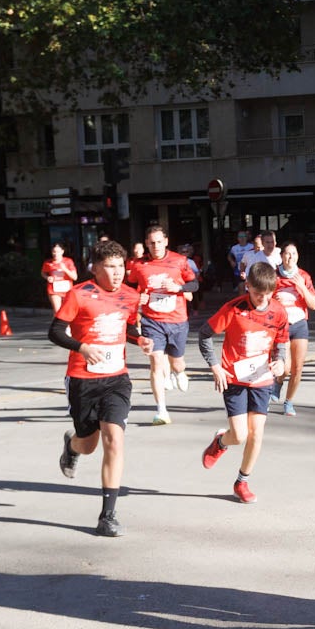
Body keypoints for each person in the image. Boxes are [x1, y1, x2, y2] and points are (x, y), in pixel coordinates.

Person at [48, 239, 152, 537]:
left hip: (117, 379)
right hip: (83, 378)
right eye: (110, 266)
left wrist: (139, 340)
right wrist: (81, 347)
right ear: (95, 268)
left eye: (121, 266)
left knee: (114, 440)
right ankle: (72, 446)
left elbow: (128, 327)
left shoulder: (131, 296)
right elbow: (54, 331)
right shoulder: (79, 294)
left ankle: (107, 516)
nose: (117, 272)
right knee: (88, 444)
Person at [196, 262, 290, 502]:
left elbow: (281, 341)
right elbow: (204, 335)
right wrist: (215, 367)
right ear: (247, 286)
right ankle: (220, 441)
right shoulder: (233, 308)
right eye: (257, 293)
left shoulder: (278, 312)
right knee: (239, 435)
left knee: (256, 434)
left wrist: (280, 361)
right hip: (234, 378)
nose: (262, 299)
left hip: (261, 379)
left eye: (267, 294)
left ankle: (242, 482)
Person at [125, 224, 200, 424]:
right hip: (152, 321)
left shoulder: (179, 261)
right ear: (146, 244)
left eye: (159, 242)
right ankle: (162, 410)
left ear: (166, 242)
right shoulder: (139, 265)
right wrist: (136, 298)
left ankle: (180, 371)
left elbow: (195, 284)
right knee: (157, 363)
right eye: (151, 243)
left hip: (177, 320)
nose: (155, 246)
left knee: (177, 361)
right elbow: (129, 288)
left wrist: (179, 287)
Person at [272, 240, 315, 417]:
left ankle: (289, 402)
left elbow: (314, 304)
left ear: (297, 256)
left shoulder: (304, 276)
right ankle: (278, 382)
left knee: (297, 368)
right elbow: (263, 300)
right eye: (287, 253)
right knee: (284, 368)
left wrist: (301, 288)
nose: (290, 257)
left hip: (299, 325)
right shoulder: (274, 276)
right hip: (280, 327)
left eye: (294, 253)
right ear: (282, 256)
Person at [41, 243, 78, 314]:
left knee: (67, 312)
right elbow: (43, 273)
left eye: (58, 252)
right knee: (57, 312)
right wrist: (47, 277)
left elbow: (75, 277)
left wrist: (65, 269)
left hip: (67, 289)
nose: (55, 254)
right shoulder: (48, 263)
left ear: (62, 251)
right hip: (54, 289)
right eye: (54, 252)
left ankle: (61, 325)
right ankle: (59, 324)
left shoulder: (68, 261)